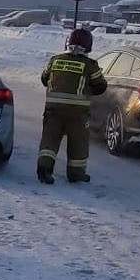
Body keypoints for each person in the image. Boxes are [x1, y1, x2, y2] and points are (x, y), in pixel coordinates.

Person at [37, 27, 108, 184]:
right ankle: (76, 174)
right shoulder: (90, 65)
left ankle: (44, 168)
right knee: (78, 143)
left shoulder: (54, 60)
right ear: (88, 46)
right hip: (78, 113)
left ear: (67, 43)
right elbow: (101, 86)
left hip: (53, 110)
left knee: (50, 139)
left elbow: (44, 80)